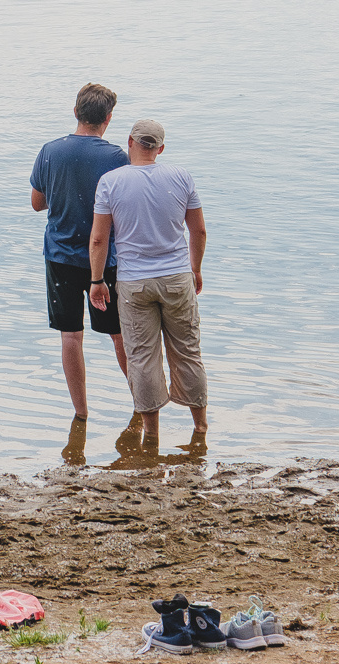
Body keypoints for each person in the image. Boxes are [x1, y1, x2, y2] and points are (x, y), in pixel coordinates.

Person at [88, 120, 207, 449]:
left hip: (133, 282)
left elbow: (99, 239)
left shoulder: (111, 182)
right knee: (188, 352)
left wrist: (97, 280)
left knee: (141, 357)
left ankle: (152, 433)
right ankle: (200, 427)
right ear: (160, 149)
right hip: (176, 277)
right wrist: (195, 269)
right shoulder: (181, 176)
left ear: (129, 142)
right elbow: (198, 231)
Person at [30, 83, 130, 420]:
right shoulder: (117, 157)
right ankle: (141, 405)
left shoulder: (50, 151)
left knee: (71, 336)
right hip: (105, 259)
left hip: (60, 255)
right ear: (108, 118)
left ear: (76, 112)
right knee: (120, 334)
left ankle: (82, 414)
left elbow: (36, 203)